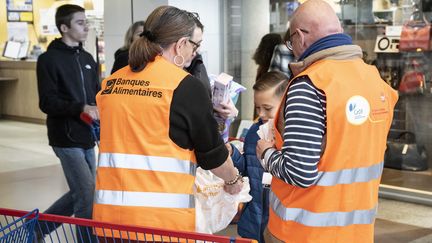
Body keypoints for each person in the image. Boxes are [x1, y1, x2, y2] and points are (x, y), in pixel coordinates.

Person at [93, 5, 243, 238]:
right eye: (195, 46)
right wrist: (233, 180)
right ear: (181, 44)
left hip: (109, 221)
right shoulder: (184, 86)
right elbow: (212, 154)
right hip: (161, 225)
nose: (195, 53)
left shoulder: (111, 84)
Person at [256, 0, 399, 242]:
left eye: (291, 42)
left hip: (302, 233)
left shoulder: (311, 85)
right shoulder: (377, 83)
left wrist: (266, 152)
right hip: (357, 233)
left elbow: (299, 173)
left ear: (300, 36)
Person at [36, 3, 100, 241]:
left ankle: (37, 229)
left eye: (86, 22)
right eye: (80, 23)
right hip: (64, 137)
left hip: (87, 136)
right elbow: (47, 102)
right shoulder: (48, 60)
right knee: (86, 195)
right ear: (64, 27)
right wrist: (81, 108)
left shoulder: (87, 58)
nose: (86, 27)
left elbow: (96, 93)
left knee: (82, 193)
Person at [227, 71, 288, 243]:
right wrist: (233, 154)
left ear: (285, 103)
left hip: (278, 225)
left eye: (267, 108)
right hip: (252, 223)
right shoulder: (254, 132)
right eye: (257, 107)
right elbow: (247, 167)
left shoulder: (292, 136)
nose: (261, 114)